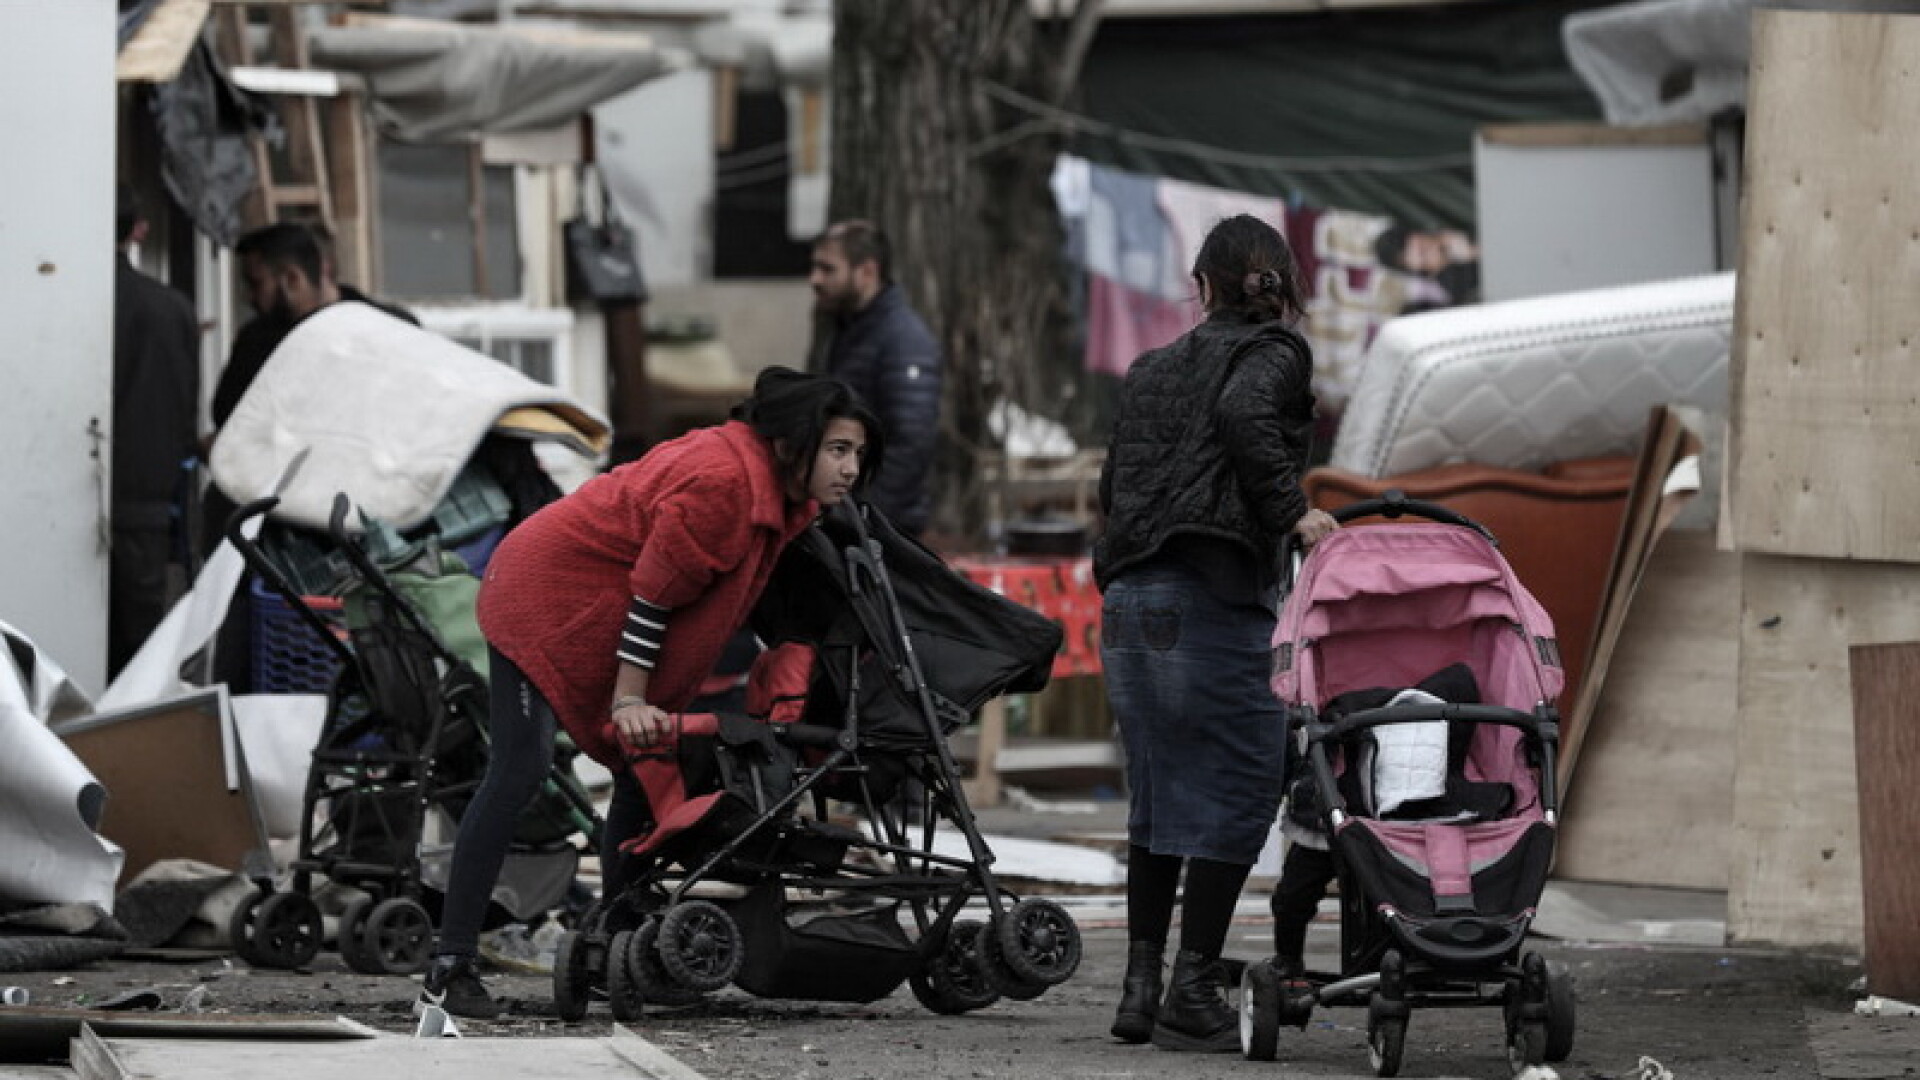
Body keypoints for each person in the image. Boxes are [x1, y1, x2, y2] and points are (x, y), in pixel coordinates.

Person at [415, 367, 884, 1020]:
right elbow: (653, 594)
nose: (851, 468)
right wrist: (628, 701)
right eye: (838, 449)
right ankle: (450, 963)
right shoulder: (724, 484)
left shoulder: (774, 489)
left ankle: (615, 947)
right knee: (519, 771)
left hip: (586, 604)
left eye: (858, 453)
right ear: (788, 444)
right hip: (538, 599)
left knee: (643, 771)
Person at [1094, 214, 1338, 1052]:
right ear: (1280, 286)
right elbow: (1243, 414)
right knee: (1246, 780)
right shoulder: (1274, 352)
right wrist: (1292, 512)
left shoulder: (1151, 368)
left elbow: (1112, 479)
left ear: (1200, 287)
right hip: (1210, 596)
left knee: (1158, 793)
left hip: (1129, 604)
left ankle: (1138, 990)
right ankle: (1191, 986)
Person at [109, 184, 202, 679]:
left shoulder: (50, 304)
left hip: (49, 504)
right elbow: (186, 419)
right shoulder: (171, 310)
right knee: (137, 661)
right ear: (138, 232)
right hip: (146, 509)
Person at [808, 220, 942, 536]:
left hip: (882, 530)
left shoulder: (904, 340)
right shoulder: (845, 330)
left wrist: (862, 519)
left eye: (828, 269)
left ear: (867, 272)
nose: (814, 279)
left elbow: (910, 446)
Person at [1372, 223, 1482, 308]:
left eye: (1407, 242)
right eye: (1405, 256)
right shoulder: (1454, 284)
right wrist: (1473, 253)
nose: (1416, 251)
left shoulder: (1457, 226)